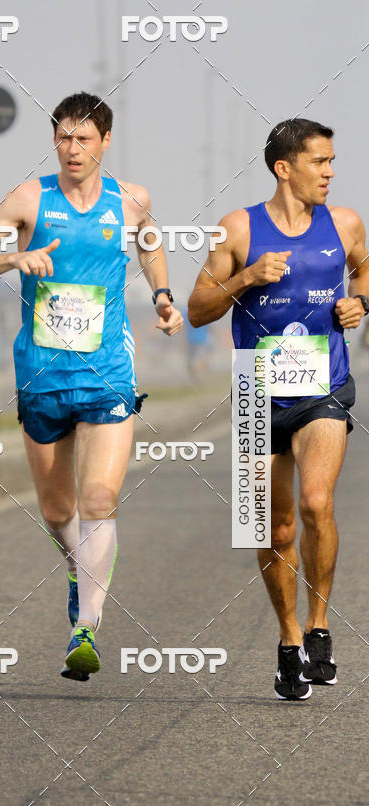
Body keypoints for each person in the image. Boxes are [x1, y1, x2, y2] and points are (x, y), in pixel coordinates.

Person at [0, 91, 183, 680]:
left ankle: (87, 628)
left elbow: (149, 243)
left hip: (107, 370)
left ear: (106, 142)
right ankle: (79, 566)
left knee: (100, 500)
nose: (72, 149)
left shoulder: (131, 200)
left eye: (83, 139)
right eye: (63, 138)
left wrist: (162, 294)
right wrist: (13, 260)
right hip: (41, 374)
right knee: (58, 511)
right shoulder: (30, 199)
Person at [188, 118, 369, 700]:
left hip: (323, 388)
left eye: (333, 161)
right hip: (255, 391)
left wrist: (358, 302)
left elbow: (364, 267)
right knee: (272, 524)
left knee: (316, 502)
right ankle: (288, 640)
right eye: (321, 162)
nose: (332, 172)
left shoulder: (344, 223)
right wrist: (244, 277)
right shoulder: (238, 228)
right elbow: (197, 309)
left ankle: (318, 627)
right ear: (284, 167)